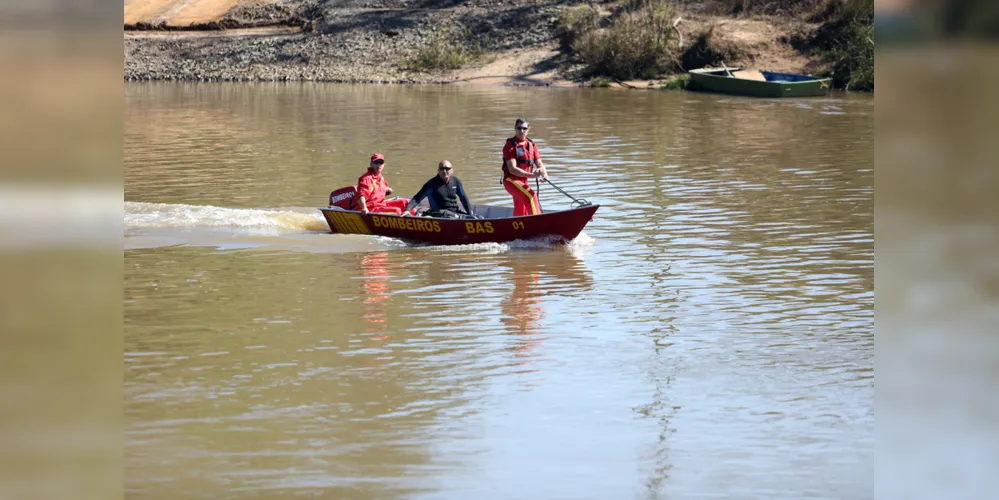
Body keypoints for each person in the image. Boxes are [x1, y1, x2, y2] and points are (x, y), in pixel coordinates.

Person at [502, 118, 549, 216]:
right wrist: (532, 175)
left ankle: (519, 227)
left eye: (524, 128)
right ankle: (538, 223)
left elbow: (539, 163)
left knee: (521, 209)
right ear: (515, 128)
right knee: (531, 196)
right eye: (519, 128)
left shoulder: (532, 144)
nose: (521, 131)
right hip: (511, 180)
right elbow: (512, 169)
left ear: (528, 130)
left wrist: (544, 174)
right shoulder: (510, 146)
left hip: (523, 181)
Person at [403, 160, 475, 217]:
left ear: (452, 170)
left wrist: (470, 215)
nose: (444, 171)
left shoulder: (456, 181)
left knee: (476, 217)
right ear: (438, 170)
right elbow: (417, 198)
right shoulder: (431, 184)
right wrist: (407, 210)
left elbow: (464, 199)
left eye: (447, 169)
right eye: (442, 168)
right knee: (452, 216)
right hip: (438, 213)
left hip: (454, 212)